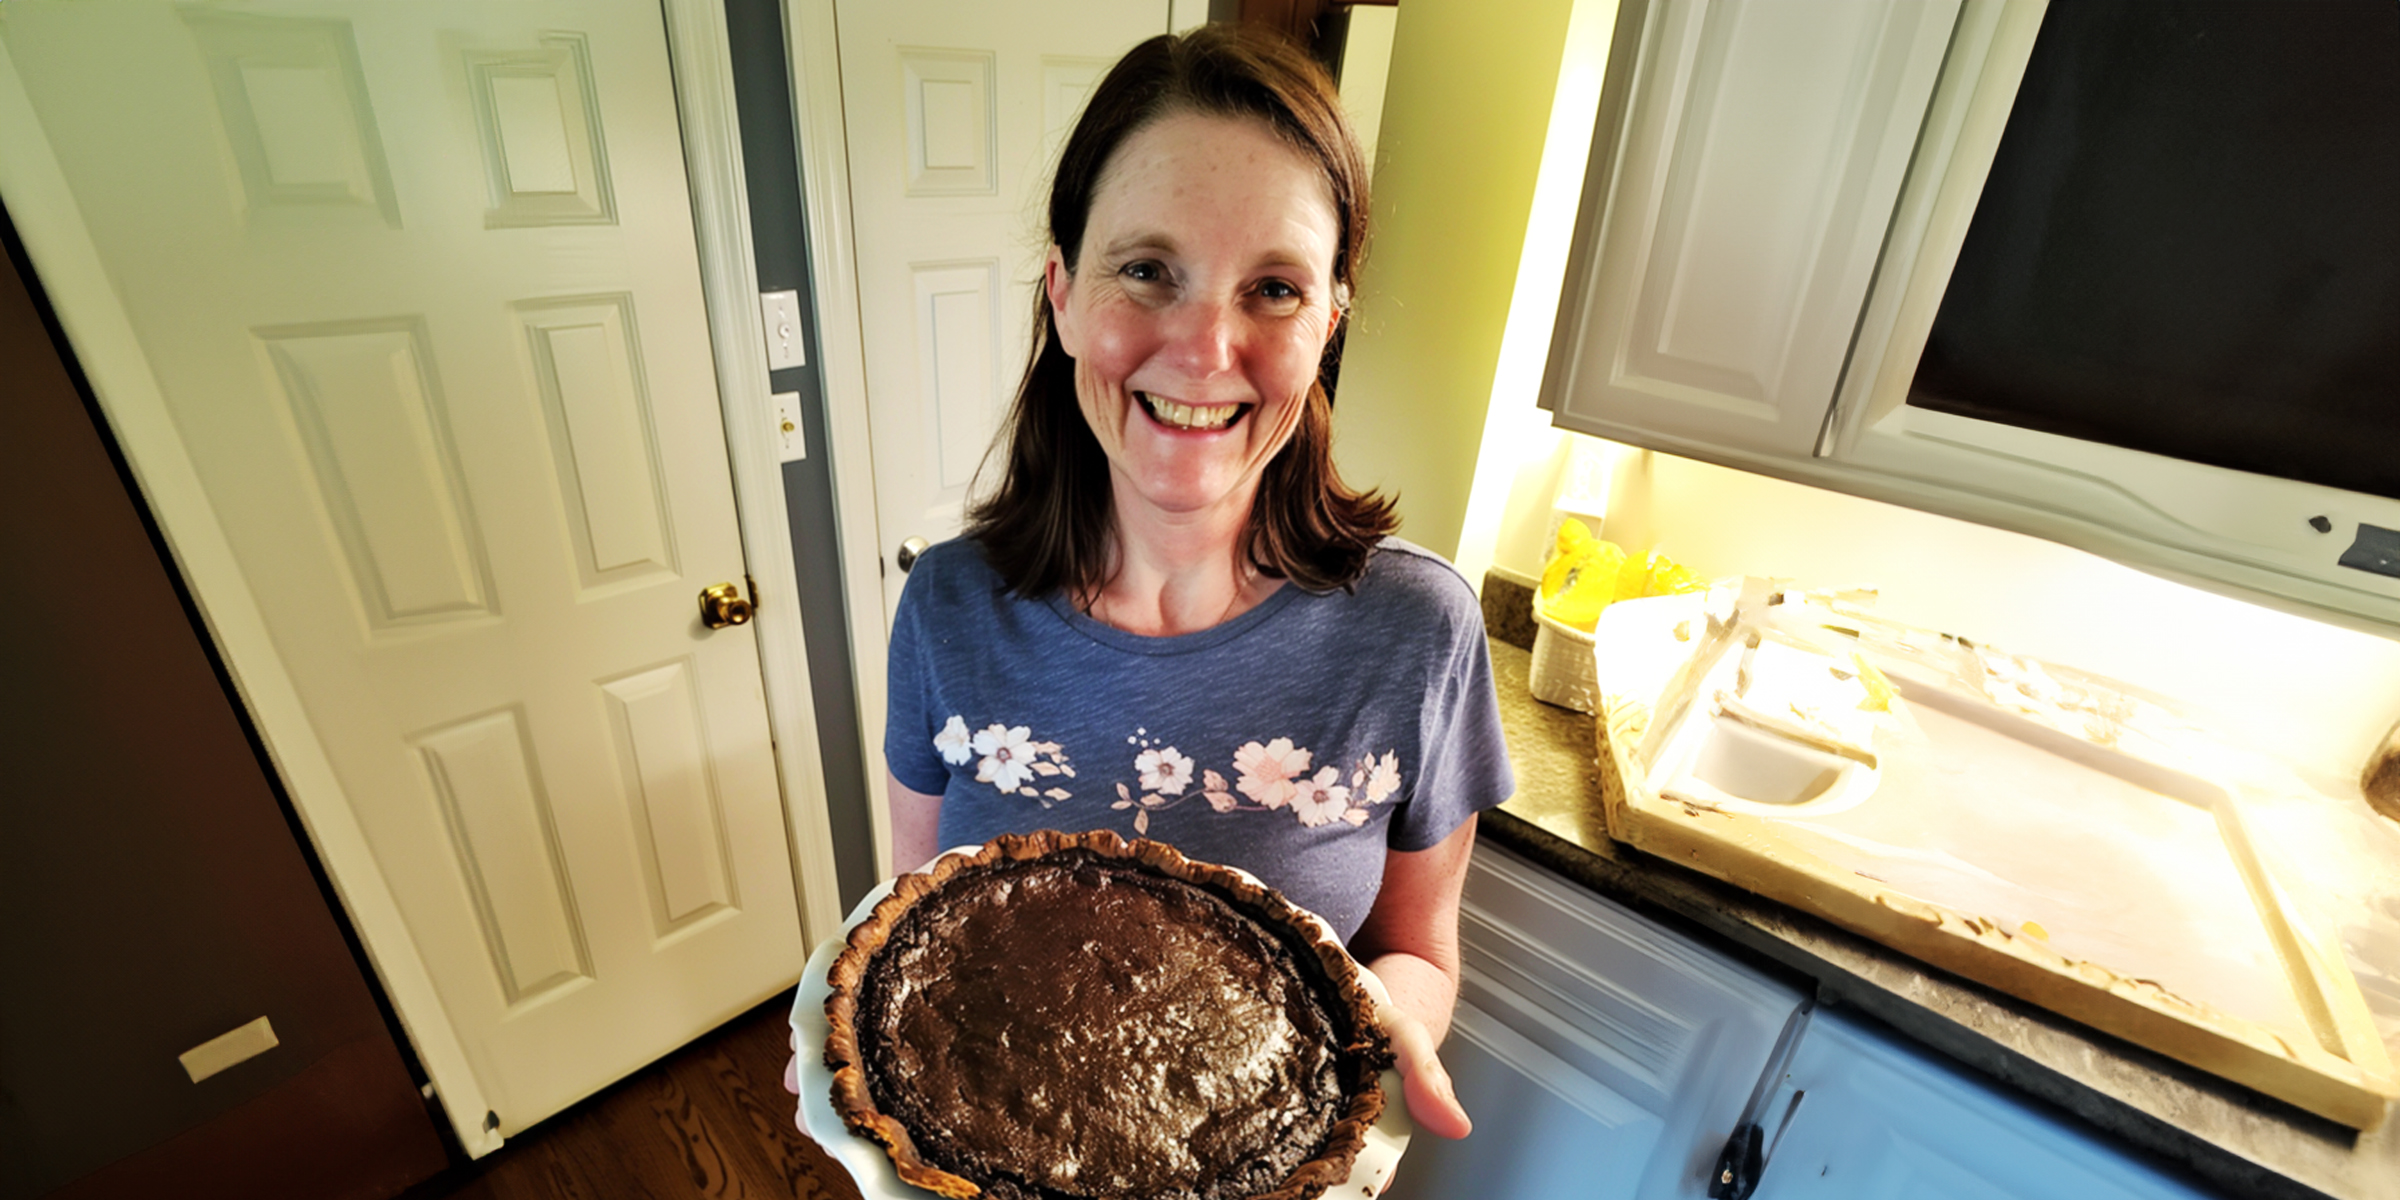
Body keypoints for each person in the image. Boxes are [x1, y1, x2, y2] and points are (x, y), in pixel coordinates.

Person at [880, 24, 1512, 1141]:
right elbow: (918, 927)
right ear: (1065, 293)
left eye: (1274, 288)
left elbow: (1418, 948)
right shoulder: (948, 609)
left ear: (1330, 322)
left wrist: (1392, 1014)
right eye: (1147, 269)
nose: (1206, 349)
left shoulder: (1418, 634)